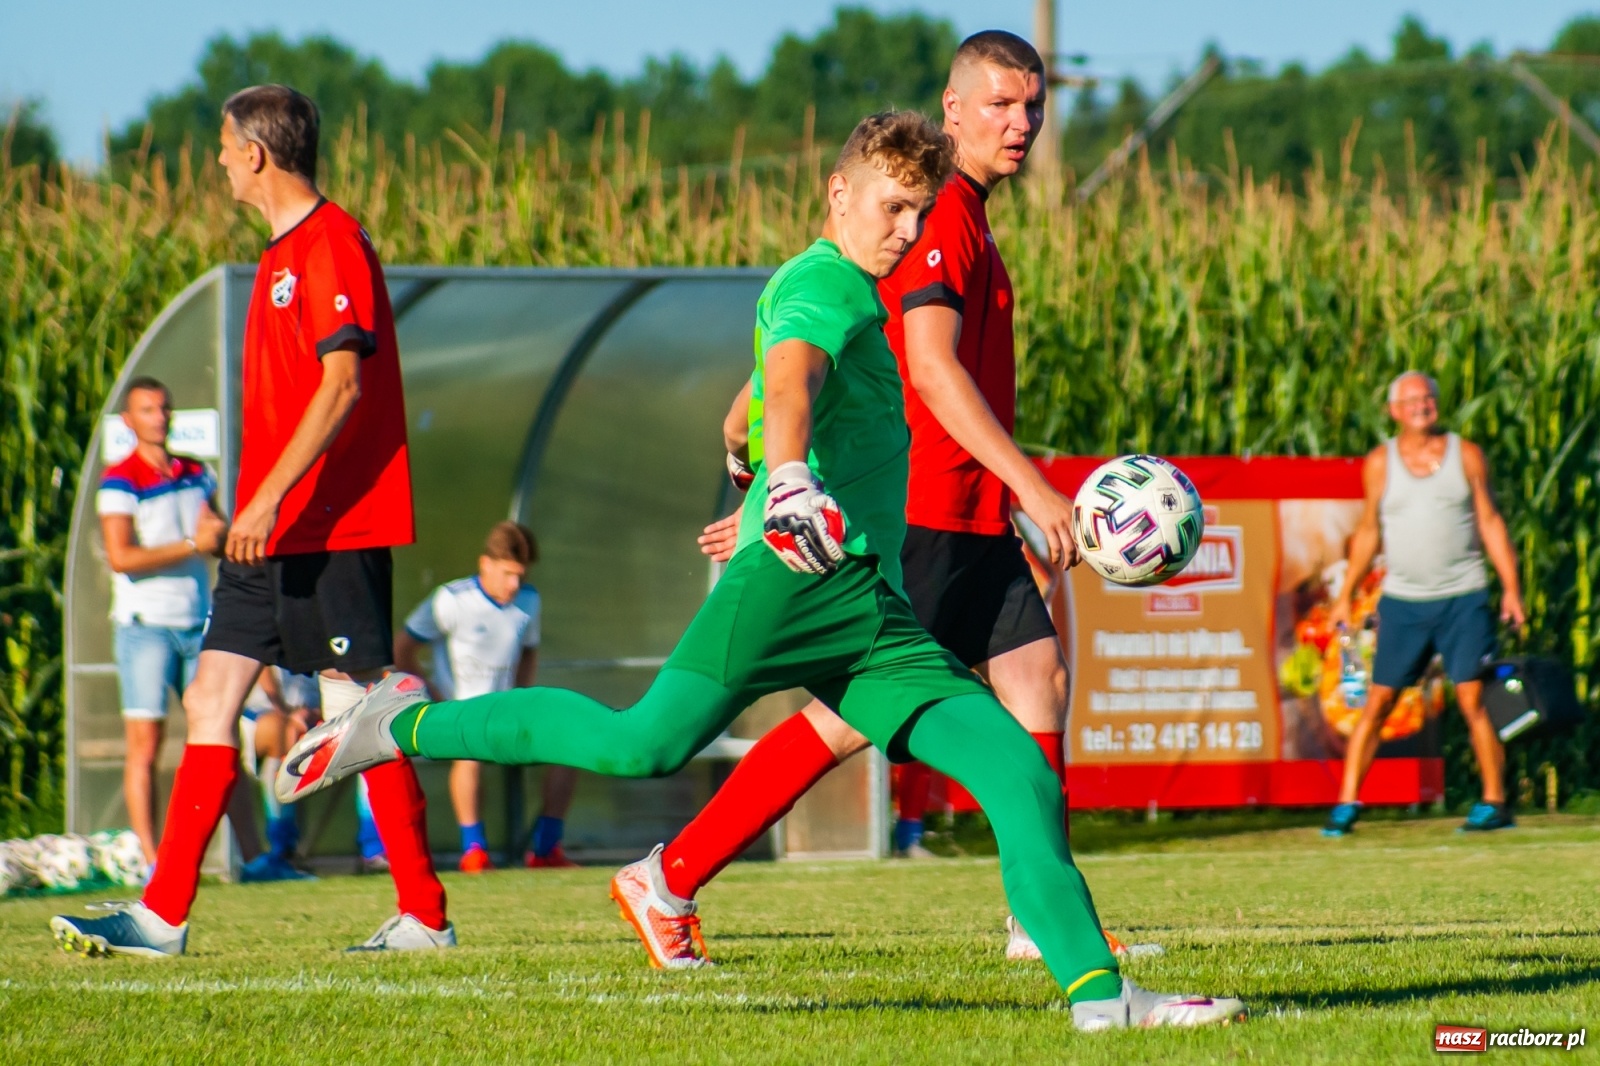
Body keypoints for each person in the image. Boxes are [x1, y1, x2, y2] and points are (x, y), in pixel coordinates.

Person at [278, 109, 1244, 1031]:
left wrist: (749, 466)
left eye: (918, 212)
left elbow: (747, 406)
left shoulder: (858, 296)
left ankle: (1098, 998)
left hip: (868, 606)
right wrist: (783, 483)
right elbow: (789, 382)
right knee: (640, 746)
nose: (905, 231)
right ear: (838, 193)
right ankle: (400, 720)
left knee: (1013, 773)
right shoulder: (820, 282)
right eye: (889, 208)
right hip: (789, 580)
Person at [636, 30, 1130, 964]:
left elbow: (767, 391)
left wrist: (753, 467)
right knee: (844, 721)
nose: (1020, 123)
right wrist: (1033, 486)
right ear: (952, 110)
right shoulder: (935, 216)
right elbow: (933, 373)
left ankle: (1039, 916)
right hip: (926, 514)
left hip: (969, 513)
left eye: (1032, 106)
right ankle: (673, 872)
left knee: (1038, 681)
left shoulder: (961, 214)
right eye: (998, 104)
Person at [52, 84, 452, 957]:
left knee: (360, 719)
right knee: (210, 698)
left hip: (329, 528)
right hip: (264, 530)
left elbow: (342, 385)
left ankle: (425, 915)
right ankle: (161, 919)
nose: (221, 161)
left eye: (227, 147)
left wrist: (267, 497)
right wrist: (258, 505)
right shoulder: (277, 256)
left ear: (258, 154)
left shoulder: (331, 242)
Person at [1322, 370, 1526, 837]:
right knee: (1380, 700)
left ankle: (1495, 802)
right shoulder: (1380, 464)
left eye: (1428, 398)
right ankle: (1345, 803)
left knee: (1471, 697)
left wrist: (1511, 587)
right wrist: (1345, 595)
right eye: (1411, 400)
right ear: (1394, 411)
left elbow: (1491, 523)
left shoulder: (1466, 456)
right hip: (1405, 603)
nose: (1422, 405)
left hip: (1464, 595)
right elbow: (1369, 532)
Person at [97, 376, 227, 870]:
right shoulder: (119, 480)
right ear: (129, 421)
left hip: (197, 622)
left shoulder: (197, 473)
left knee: (217, 734)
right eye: (148, 410)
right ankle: (153, 861)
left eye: (165, 408)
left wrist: (215, 535)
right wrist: (194, 545)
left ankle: (252, 857)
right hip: (145, 625)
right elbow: (121, 557)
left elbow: (217, 530)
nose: (160, 417)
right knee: (145, 746)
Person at [393, 521, 571, 872]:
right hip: (462, 714)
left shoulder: (529, 601)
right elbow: (403, 650)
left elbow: (529, 651)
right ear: (485, 564)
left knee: (569, 747)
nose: (515, 584)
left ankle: (547, 850)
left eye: (521, 575)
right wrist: (436, 698)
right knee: (469, 757)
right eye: (507, 574)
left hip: (506, 713)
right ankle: (474, 851)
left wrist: (523, 694)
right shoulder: (452, 599)